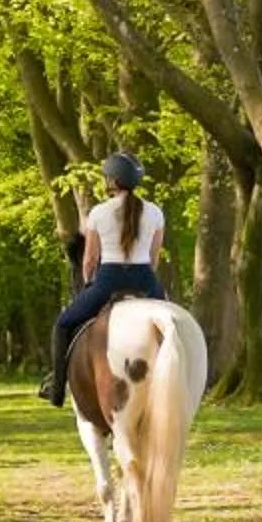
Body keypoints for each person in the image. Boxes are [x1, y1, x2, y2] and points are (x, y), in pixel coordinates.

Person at [39, 153, 169, 407]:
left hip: (108, 280)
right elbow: (154, 257)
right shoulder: (155, 212)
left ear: (112, 180)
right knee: (174, 326)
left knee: (63, 324)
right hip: (145, 279)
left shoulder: (98, 212)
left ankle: (57, 388)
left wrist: (89, 282)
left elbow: (89, 260)